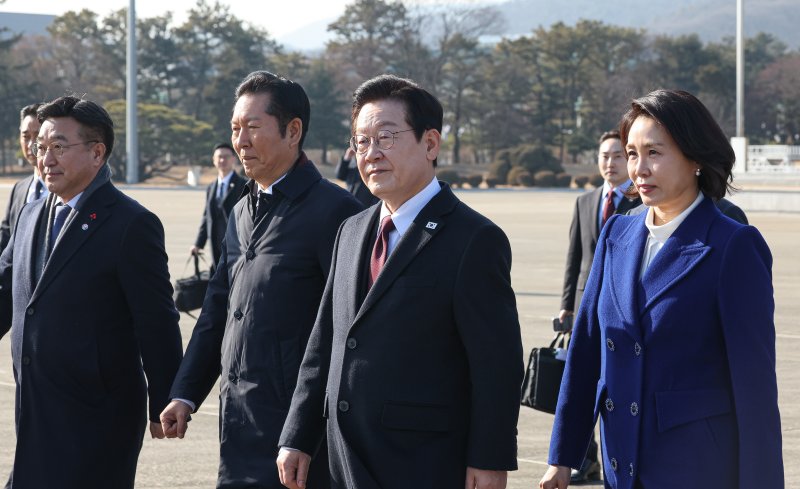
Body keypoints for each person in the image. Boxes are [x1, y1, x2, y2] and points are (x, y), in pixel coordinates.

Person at [277, 74, 523, 489]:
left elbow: (496, 365)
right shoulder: (351, 230)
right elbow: (325, 344)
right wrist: (297, 435)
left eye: (386, 137)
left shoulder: (473, 239)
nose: (371, 153)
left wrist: (489, 458)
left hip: (423, 461)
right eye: (361, 141)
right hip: (343, 459)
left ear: (430, 144)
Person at [540, 89, 783, 488]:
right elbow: (586, 350)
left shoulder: (732, 245)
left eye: (654, 152)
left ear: (695, 158)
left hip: (696, 467)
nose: (638, 168)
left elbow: (755, 388)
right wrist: (562, 457)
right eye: (632, 153)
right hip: (621, 464)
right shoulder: (616, 233)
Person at [160, 71, 362, 489]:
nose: (241, 141)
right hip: (238, 422)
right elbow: (218, 309)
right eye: (235, 129)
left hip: (300, 436)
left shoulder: (337, 214)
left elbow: (343, 334)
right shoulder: (240, 211)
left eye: (253, 128)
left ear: (293, 131)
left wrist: (303, 432)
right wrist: (185, 393)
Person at [0, 96, 184, 489]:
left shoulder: (131, 224)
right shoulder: (31, 213)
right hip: (35, 407)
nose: (45, 158)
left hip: (98, 415)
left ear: (97, 152)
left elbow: (156, 319)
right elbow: (6, 289)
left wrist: (165, 398)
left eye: (59, 147)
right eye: (41, 147)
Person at [557, 130, 641, 484]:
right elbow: (574, 258)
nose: (610, 163)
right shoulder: (586, 201)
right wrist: (567, 306)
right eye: (604, 156)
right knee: (581, 383)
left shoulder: (642, 203)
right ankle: (584, 458)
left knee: (613, 386)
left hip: (622, 311)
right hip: (585, 307)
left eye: (618, 156)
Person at [190, 142, 246, 270]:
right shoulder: (211, 188)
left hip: (237, 245)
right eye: (219, 157)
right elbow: (206, 217)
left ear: (233, 159)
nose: (222, 160)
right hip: (216, 245)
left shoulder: (244, 185)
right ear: (214, 160)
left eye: (226, 157)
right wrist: (198, 244)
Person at [0, 104, 49, 251]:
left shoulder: (67, 189)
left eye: (39, 136)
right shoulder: (19, 189)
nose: (31, 144)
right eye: (26, 136)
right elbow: (5, 241)